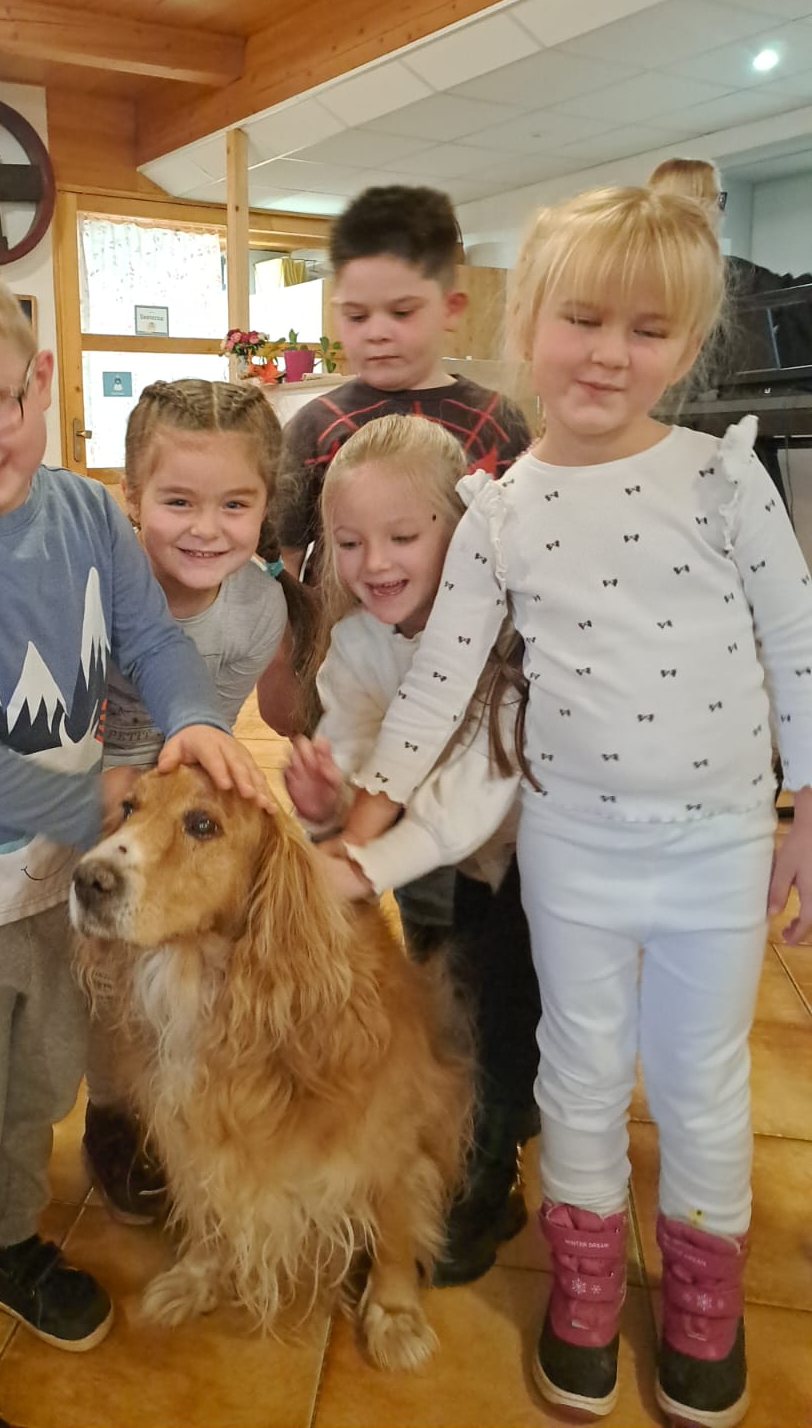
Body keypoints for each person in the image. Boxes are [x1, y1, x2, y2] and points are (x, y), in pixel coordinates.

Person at [348, 185, 812, 1427]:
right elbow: (441, 680)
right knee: (581, 1066)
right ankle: (587, 1281)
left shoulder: (724, 477)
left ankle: (705, 1296)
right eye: (584, 320)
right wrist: (367, 818)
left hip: (719, 844)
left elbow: (798, 642)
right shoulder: (501, 508)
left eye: (648, 331)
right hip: (574, 848)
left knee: (701, 1075)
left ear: (689, 343)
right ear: (526, 323)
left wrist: (808, 807)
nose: (610, 353)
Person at [0, 252, 270, 1428]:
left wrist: (190, 717)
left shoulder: (84, 511)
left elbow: (152, 640)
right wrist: (91, 804)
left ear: (35, 380)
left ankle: (12, 1242)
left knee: (40, 1087)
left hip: (63, 885)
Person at [282, 413, 540, 1286]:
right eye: (349, 542)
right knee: (449, 1006)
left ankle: (491, 1169)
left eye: (403, 536)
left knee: (509, 1018)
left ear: (461, 533)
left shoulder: (510, 634)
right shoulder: (357, 645)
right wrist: (330, 802)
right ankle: (471, 1139)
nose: (374, 562)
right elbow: (360, 755)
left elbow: (471, 791)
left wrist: (360, 858)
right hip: (442, 870)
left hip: (533, 862)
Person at [85, 377, 320, 1223]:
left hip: (178, 802)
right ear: (132, 497)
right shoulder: (95, 586)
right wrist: (101, 788)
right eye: (178, 501)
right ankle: (111, 1111)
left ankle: (176, 1092)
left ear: (265, 506)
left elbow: (231, 720)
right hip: (83, 794)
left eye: (234, 505)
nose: (206, 528)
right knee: (93, 966)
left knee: (176, 957)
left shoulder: (257, 606)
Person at [273, 184, 531, 586]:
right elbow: (286, 556)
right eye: (357, 316)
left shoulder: (500, 420)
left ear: (450, 308)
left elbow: (521, 546)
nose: (377, 332)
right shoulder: (314, 425)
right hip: (339, 623)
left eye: (402, 312)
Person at [648, 157, 812, 379]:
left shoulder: (635, 273)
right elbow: (790, 300)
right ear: (700, 205)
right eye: (719, 200)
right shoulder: (728, 274)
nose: (722, 212)